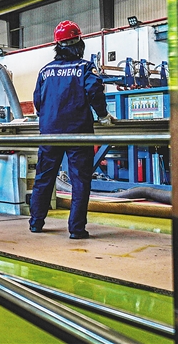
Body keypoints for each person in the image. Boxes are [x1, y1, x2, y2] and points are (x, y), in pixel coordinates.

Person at [29, 20, 114, 239]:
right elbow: (95, 92)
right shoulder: (84, 67)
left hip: (49, 132)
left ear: (57, 45)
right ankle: (76, 229)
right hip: (78, 132)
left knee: (44, 178)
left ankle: (36, 223)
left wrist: (49, 118)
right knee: (79, 181)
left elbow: (37, 101)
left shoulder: (45, 71)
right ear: (79, 43)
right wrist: (103, 116)